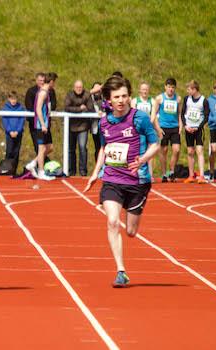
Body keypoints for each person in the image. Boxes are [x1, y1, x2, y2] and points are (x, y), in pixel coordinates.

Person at [84, 76, 160, 288]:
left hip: (138, 181)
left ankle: (135, 209)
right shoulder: (104, 122)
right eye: (116, 97)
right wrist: (95, 173)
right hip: (112, 179)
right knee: (112, 221)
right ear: (108, 99)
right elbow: (103, 148)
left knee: (131, 232)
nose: (121, 100)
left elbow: (155, 145)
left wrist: (142, 160)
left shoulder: (140, 118)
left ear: (129, 97)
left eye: (124, 96)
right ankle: (121, 271)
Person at [152, 78, 182, 182]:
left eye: (173, 87)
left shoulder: (178, 99)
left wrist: (180, 126)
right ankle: (164, 173)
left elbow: (179, 114)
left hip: (174, 127)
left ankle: (172, 170)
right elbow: (154, 114)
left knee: (176, 149)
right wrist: (158, 128)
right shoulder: (159, 98)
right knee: (163, 151)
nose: (171, 89)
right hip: (163, 127)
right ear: (165, 87)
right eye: (169, 87)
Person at [180, 80, 209, 183]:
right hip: (189, 128)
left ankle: (201, 175)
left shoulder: (204, 100)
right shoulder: (186, 99)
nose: (187, 91)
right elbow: (182, 114)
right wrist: (185, 126)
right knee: (190, 151)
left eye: (189, 89)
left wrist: (199, 127)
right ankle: (191, 175)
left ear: (194, 89)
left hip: (198, 129)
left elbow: (206, 116)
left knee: (199, 150)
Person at [25, 80, 54, 180]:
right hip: (41, 125)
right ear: (51, 82)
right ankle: (41, 171)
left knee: (50, 147)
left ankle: (33, 163)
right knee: (41, 149)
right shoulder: (42, 93)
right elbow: (38, 109)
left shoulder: (47, 93)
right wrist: (42, 124)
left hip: (46, 124)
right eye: (54, 83)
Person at [65, 80, 94, 176]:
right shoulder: (69, 95)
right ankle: (71, 171)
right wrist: (80, 109)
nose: (79, 89)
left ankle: (83, 171)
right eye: (77, 87)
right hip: (71, 126)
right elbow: (67, 107)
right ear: (74, 87)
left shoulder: (87, 95)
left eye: (80, 87)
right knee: (70, 149)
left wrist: (84, 109)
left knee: (82, 148)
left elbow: (91, 108)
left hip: (83, 126)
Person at [131, 82, 160, 179]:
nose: (145, 91)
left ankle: (150, 175)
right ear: (139, 90)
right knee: (138, 152)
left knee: (150, 152)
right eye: (143, 89)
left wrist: (148, 125)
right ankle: (137, 173)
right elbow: (133, 115)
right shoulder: (135, 101)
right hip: (138, 130)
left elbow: (153, 116)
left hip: (148, 129)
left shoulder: (152, 101)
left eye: (146, 89)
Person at [2, 91, 25, 175]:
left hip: (18, 133)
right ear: (9, 99)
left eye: (15, 99)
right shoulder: (5, 108)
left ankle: (14, 171)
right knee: (9, 151)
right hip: (9, 134)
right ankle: (7, 170)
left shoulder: (20, 108)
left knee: (16, 152)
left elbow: (22, 120)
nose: (13, 101)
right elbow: (5, 120)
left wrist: (17, 131)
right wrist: (10, 131)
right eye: (12, 99)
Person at [24, 73, 47, 155]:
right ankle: (38, 165)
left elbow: (53, 105)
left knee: (47, 147)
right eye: (40, 80)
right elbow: (29, 106)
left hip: (45, 123)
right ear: (36, 80)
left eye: (43, 81)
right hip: (34, 123)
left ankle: (38, 164)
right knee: (38, 147)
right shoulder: (31, 91)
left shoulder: (49, 91)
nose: (42, 82)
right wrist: (39, 109)